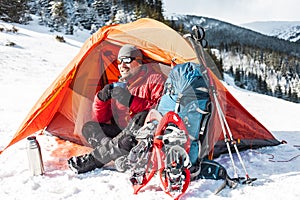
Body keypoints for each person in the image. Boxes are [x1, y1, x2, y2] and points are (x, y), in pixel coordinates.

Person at [68, 44, 166, 174]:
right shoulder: (119, 86)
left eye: (127, 60)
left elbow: (160, 111)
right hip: (121, 134)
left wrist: (131, 100)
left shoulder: (155, 79)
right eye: (120, 61)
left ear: (139, 61)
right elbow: (102, 119)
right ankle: (120, 156)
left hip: (140, 137)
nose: (122, 65)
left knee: (140, 117)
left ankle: (92, 160)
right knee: (90, 127)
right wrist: (101, 99)